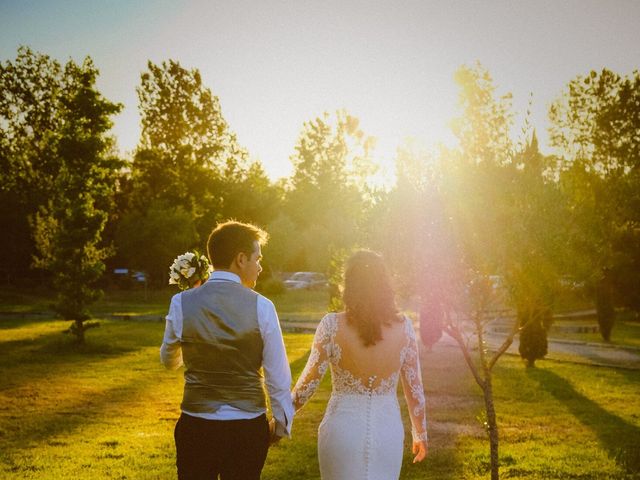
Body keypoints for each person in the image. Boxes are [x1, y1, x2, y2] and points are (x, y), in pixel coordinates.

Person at [161, 220, 293, 480]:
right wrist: (281, 422)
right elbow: (277, 374)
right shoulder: (263, 307)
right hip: (246, 428)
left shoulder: (181, 302)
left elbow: (168, 360)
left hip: (196, 426)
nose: (260, 266)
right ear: (241, 259)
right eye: (257, 258)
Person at [291, 250, 428, 479]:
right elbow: (415, 391)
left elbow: (307, 386)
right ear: (385, 285)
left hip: (342, 431)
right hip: (387, 433)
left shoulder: (331, 326)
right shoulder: (404, 328)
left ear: (348, 285)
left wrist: (280, 418)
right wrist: (420, 433)